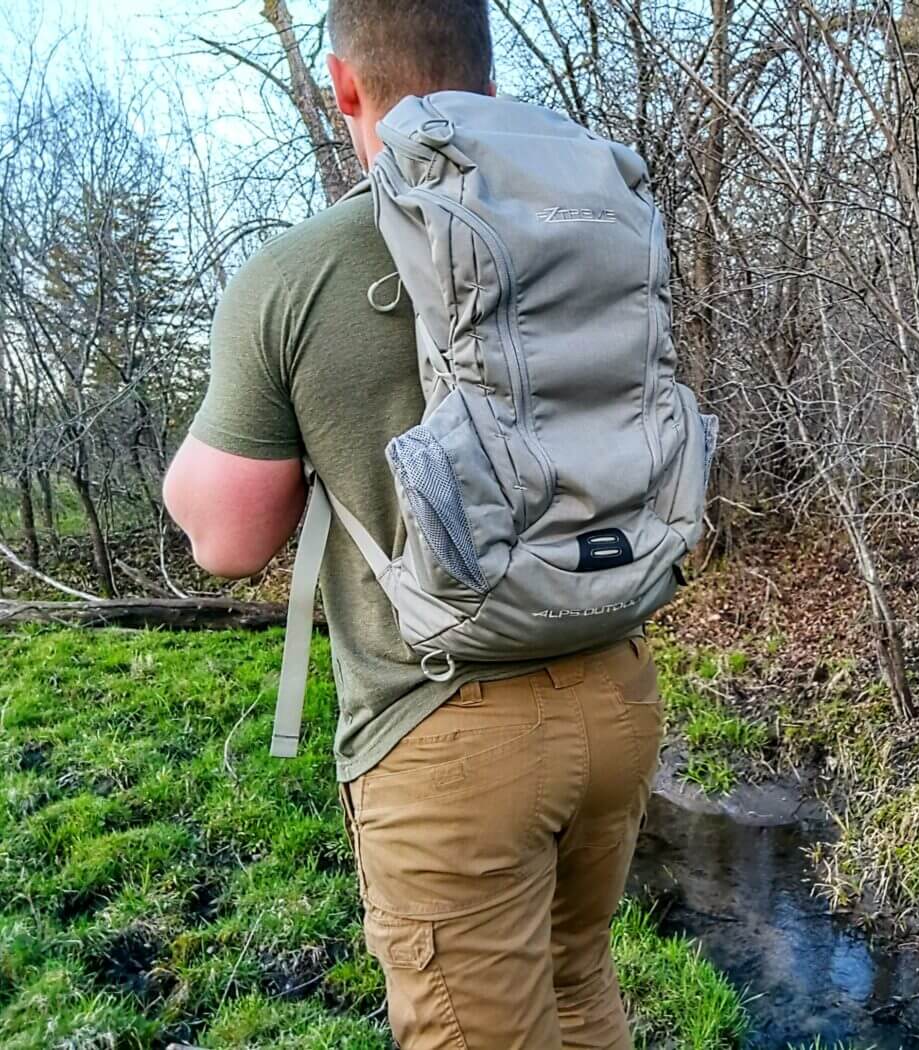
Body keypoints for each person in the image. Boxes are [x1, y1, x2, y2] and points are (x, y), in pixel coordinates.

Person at [163, 3, 662, 1046]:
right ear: (486, 73)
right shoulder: (591, 227)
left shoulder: (300, 271)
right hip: (613, 681)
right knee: (579, 987)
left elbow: (229, 540)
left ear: (344, 86)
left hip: (446, 726)